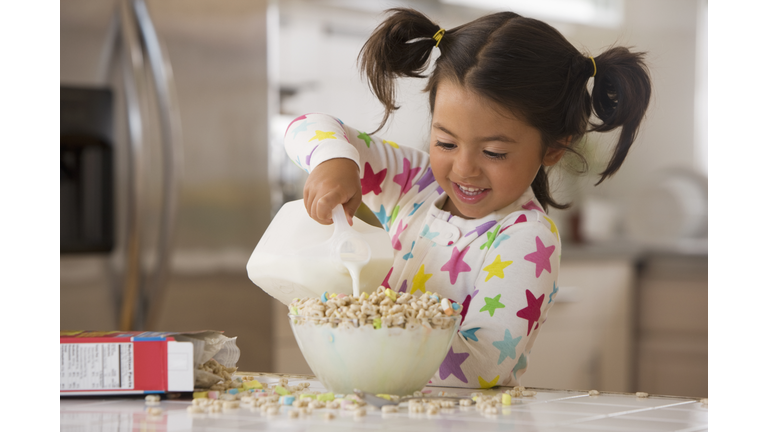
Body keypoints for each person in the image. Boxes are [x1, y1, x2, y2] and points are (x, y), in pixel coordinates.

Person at [283, 8, 651, 388]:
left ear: (554, 148)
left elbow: (478, 369)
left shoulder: (526, 237)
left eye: (493, 152)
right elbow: (306, 126)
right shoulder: (413, 182)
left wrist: (366, 327)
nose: (464, 168)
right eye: (445, 142)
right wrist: (335, 161)